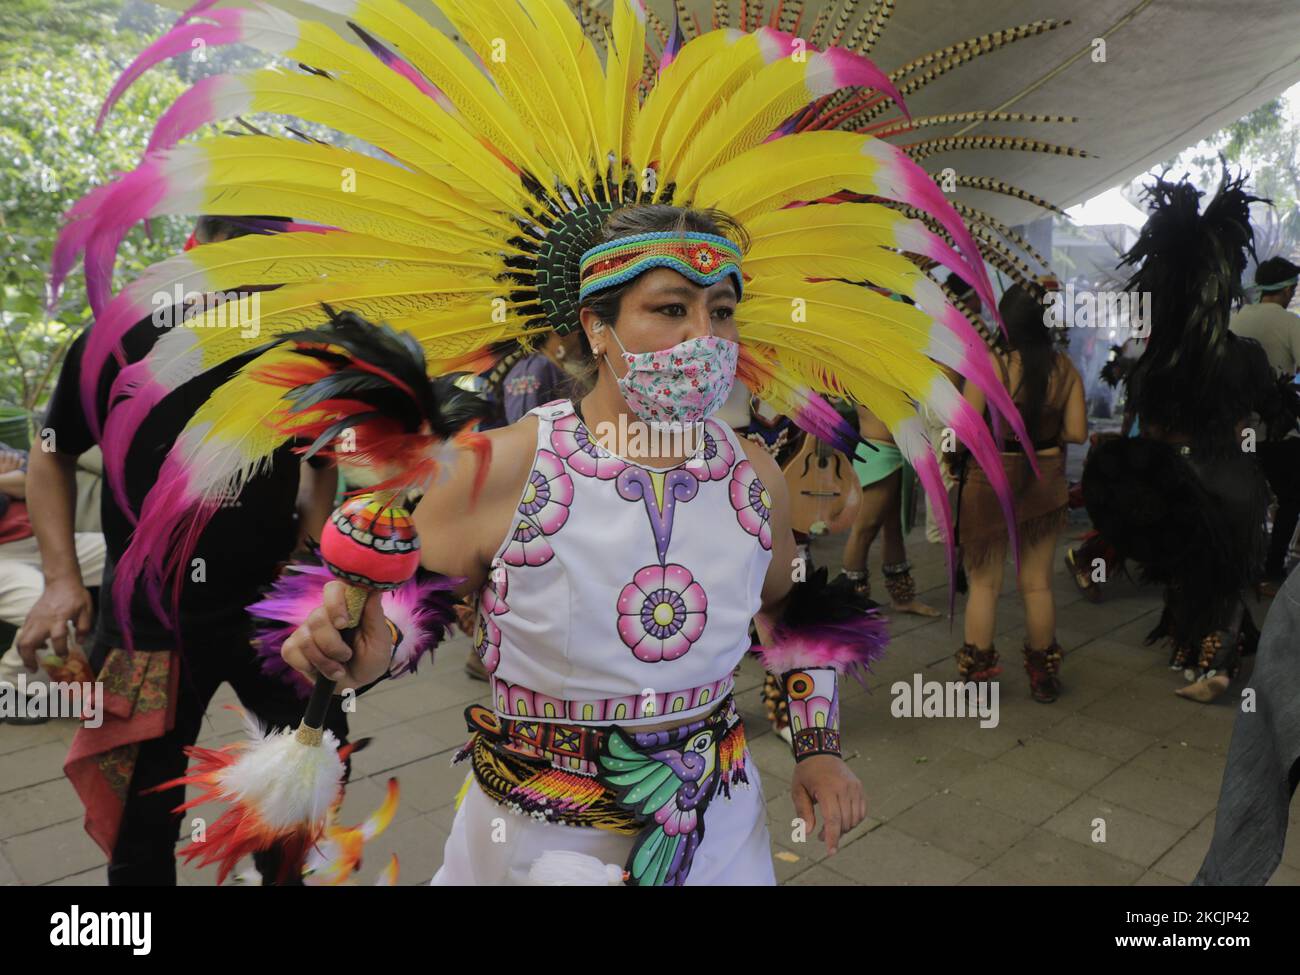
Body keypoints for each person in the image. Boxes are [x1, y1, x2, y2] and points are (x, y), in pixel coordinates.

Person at [59, 0, 1075, 885]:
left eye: (720, 313)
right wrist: (352, 643)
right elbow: (398, 617)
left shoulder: (751, 473)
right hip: (525, 838)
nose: (702, 340)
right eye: (668, 310)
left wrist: (815, 750)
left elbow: (786, 618)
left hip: (713, 836)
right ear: (594, 327)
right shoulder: (502, 466)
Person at [18, 215, 344, 885]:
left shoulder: (298, 342)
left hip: (272, 615)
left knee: (294, 805)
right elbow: (49, 456)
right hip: (148, 621)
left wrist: (309, 558)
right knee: (139, 831)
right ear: (199, 246)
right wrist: (58, 580)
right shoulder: (121, 336)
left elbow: (321, 462)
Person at [1083, 175, 1275, 704]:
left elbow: (1156, 429)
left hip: (1183, 479)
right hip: (1236, 474)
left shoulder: (1157, 365)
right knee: (1234, 571)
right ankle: (1214, 659)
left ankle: (1193, 654)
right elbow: (1262, 417)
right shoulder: (1249, 355)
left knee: (1190, 565)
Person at [952, 285, 1087, 701]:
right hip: (1043, 480)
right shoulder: (1063, 368)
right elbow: (1078, 433)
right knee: (1037, 584)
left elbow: (967, 428)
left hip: (990, 478)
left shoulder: (988, 365)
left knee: (984, 585)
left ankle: (979, 673)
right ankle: (1043, 674)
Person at [0, 442, 106, 723]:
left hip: (43, 542)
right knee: (50, 612)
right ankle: (10, 687)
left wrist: (22, 481)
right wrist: (9, 482)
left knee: (132, 556)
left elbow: (35, 476)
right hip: (4, 559)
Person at [1230, 256, 1300, 588]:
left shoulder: (1234, 319)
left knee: (1242, 494)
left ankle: (1238, 562)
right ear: (1287, 289)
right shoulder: (1290, 323)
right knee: (1293, 495)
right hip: (1275, 431)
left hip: (1233, 429)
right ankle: (1271, 570)